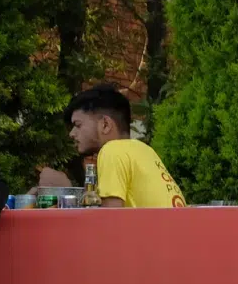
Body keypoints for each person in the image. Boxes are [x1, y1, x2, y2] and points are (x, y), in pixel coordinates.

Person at [48, 85, 184, 208]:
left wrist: (66, 191)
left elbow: (109, 221)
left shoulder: (112, 151)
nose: (72, 134)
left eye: (78, 125)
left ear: (105, 124)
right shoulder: (145, 150)